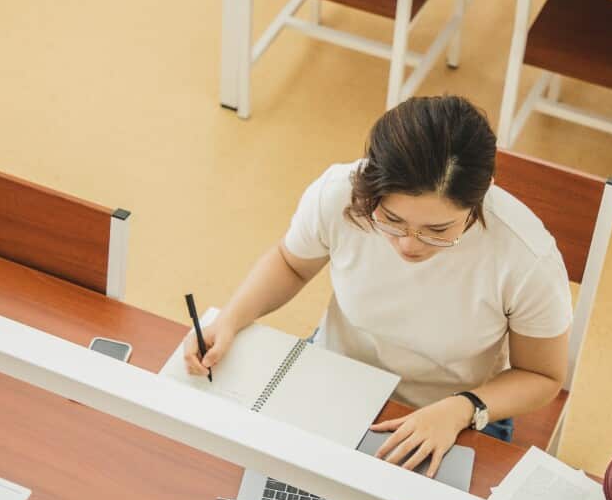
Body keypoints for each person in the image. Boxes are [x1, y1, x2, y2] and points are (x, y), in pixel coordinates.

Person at [182, 96, 572, 478]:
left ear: (482, 194)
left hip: (460, 409)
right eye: (391, 218)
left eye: (438, 230)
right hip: (338, 373)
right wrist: (231, 319)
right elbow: (290, 263)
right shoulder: (339, 194)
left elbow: (542, 375)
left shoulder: (525, 258)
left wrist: (460, 409)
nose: (409, 244)